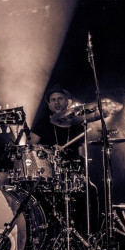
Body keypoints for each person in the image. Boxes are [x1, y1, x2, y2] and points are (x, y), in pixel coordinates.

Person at [27, 85, 98, 236]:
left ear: (67, 102)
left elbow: (83, 153)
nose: (57, 102)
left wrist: (82, 168)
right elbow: (30, 147)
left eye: (60, 99)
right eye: (53, 100)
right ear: (49, 105)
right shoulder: (42, 123)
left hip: (71, 174)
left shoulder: (78, 123)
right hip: (47, 174)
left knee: (92, 190)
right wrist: (49, 149)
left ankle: (88, 235)